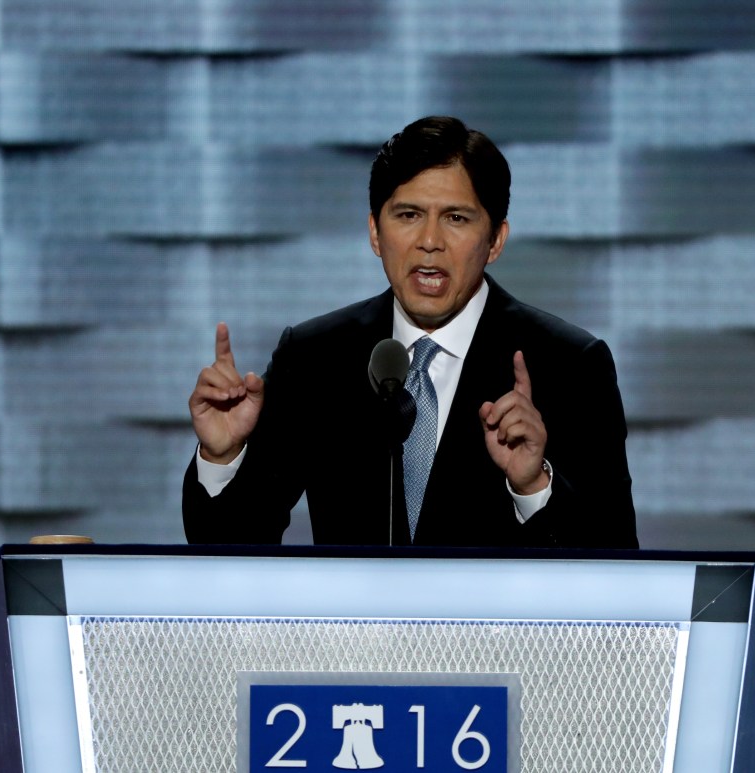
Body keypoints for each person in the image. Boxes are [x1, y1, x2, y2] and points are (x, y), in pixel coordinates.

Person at [183, 116, 637, 548]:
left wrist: (533, 488)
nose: (429, 241)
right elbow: (230, 547)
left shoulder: (569, 364)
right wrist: (222, 459)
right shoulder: (315, 358)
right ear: (375, 233)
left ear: (496, 239)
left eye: (456, 218)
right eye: (408, 215)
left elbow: (618, 567)